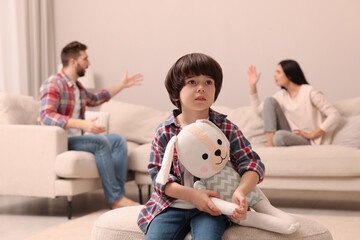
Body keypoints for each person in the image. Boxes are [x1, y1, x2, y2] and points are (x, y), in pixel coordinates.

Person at [137, 53, 265, 239]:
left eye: (208, 82)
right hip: (170, 206)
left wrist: (240, 191)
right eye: (192, 82)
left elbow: (251, 163)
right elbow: (159, 178)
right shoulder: (165, 131)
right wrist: (193, 196)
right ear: (176, 92)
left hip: (214, 207)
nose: (201, 88)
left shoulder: (225, 127)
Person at [39, 41, 143, 209]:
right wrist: (82, 124)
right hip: (59, 141)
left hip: (75, 139)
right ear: (73, 61)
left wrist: (122, 85)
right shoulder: (54, 83)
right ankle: (115, 200)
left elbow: (96, 98)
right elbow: (46, 116)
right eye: (85, 59)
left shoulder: (77, 87)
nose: (88, 63)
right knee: (99, 142)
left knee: (118, 140)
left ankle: (119, 195)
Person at [247, 59, 342, 147]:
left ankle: (272, 145)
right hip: (291, 133)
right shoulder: (281, 95)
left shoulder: (310, 92)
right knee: (269, 101)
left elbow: (335, 115)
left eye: (278, 72)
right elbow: (258, 110)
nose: (274, 75)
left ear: (289, 75)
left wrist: (313, 133)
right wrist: (253, 86)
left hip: (307, 139)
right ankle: (270, 145)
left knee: (279, 136)